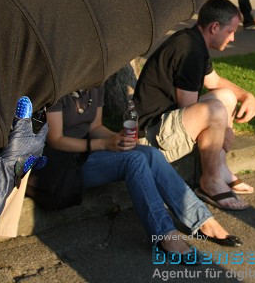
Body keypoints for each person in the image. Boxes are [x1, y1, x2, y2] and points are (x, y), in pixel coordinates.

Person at [41, 86, 241, 263]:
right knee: (134, 160)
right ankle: (164, 236)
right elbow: (55, 140)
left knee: (150, 154)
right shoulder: (58, 87)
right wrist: (103, 144)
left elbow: (95, 128)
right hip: (66, 164)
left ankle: (202, 220)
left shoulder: (94, 84)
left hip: (92, 153)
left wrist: (117, 138)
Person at [134, 0, 255, 211]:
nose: (233, 37)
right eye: (231, 31)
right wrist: (223, 127)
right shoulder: (188, 51)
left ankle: (220, 169)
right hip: (151, 137)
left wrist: (247, 95)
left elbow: (215, 82)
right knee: (217, 110)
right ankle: (209, 182)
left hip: (166, 124)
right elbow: (188, 106)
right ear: (215, 27)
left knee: (227, 96)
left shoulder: (193, 41)